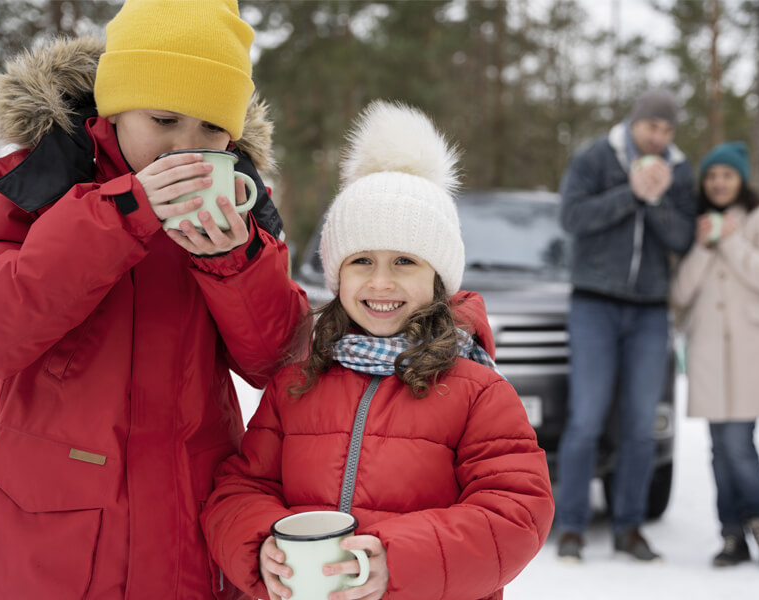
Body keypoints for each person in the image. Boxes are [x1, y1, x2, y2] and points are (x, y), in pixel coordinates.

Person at [0, 2, 308, 598]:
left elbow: (274, 361)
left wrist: (234, 261)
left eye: (211, 128)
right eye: (163, 119)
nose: (186, 145)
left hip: (192, 524)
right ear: (116, 105)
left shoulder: (242, 202)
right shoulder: (33, 183)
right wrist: (120, 215)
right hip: (53, 540)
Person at [202, 101, 554, 600]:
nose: (381, 282)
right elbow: (240, 489)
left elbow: (516, 513)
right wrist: (259, 545)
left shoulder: (478, 392)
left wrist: (398, 561)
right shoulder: (298, 382)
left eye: (405, 261)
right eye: (362, 260)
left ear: (438, 278)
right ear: (336, 274)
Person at [555, 88, 697, 562]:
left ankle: (629, 526)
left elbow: (683, 236)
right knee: (586, 418)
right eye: (651, 126)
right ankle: (572, 526)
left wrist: (655, 200)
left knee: (641, 422)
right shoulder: (596, 157)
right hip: (593, 304)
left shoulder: (679, 170)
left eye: (666, 129)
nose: (658, 136)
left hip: (650, 310)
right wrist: (630, 193)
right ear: (634, 123)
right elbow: (572, 217)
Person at [670, 141, 759, 568]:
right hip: (709, 350)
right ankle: (731, 536)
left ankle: (758, 523)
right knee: (718, 449)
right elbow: (681, 293)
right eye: (711, 176)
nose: (718, 182)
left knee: (737, 443)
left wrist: (730, 240)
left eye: (726, 174)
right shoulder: (699, 226)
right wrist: (706, 245)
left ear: (740, 178)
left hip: (752, 350)